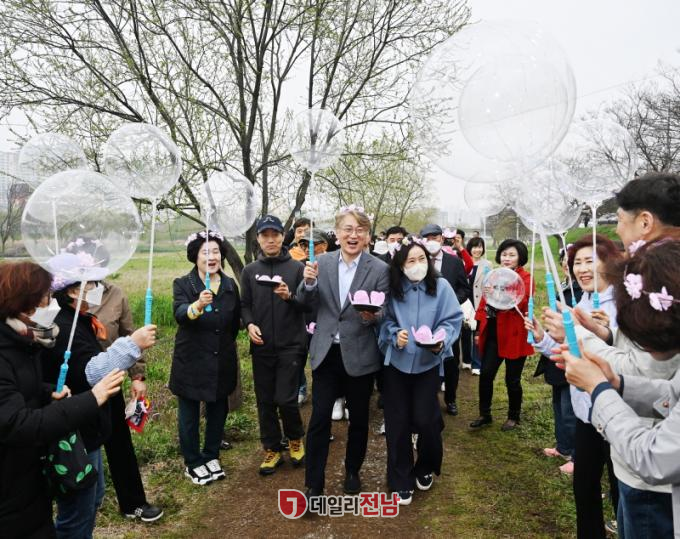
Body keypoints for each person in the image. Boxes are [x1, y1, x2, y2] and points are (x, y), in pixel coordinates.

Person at [556, 239, 680, 539]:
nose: (644, 350)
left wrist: (599, 389)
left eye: (642, 339)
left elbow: (654, 458)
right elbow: (671, 396)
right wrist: (619, 385)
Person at [0, 261, 125, 539]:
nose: (51, 302)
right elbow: (17, 423)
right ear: (25, 303)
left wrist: (46, 392)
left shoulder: (26, 340)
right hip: (11, 482)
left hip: (29, 475)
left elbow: (21, 388)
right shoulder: (9, 347)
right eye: (46, 296)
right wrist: (92, 399)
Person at [42, 255, 157, 539]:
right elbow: (91, 372)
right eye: (92, 283)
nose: (98, 288)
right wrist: (132, 344)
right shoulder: (65, 326)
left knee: (93, 496)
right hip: (78, 426)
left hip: (90, 422)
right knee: (78, 511)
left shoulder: (79, 319)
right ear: (73, 290)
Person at [297, 206, 389, 500]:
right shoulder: (320, 262)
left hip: (360, 354)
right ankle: (314, 484)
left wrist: (372, 315)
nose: (353, 235)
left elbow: (385, 311)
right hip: (326, 353)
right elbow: (304, 302)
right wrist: (308, 282)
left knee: (359, 419)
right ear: (337, 233)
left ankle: (352, 470)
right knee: (319, 418)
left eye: (360, 230)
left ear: (368, 236)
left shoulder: (379, 269)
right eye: (348, 229)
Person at [528, 233, 620, 504]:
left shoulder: (623, 304)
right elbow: (569, 353)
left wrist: (597, 332)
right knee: (584, 486)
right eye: (576, 263)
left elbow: (621, 357)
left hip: (615, 409)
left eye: (589, 261)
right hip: (586, 412)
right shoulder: (582, 303)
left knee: (619, 486)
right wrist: (542, 338)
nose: (581, 269)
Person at [378, 237, 462, 505]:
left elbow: (453, 319)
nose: (417, 265)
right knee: (397, 422)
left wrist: (440, 340)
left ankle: (426, 465)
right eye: (410, 261)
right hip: (396, 364)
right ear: (400, 265)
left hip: (428, 363)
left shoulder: (441, 286)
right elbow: (383, 320)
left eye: (421, 259)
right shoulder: (392, 288)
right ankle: (400, 477)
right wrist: (394, 334)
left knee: (427, 421)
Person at [170, 230, 241, 485]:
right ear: (195, 256)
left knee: (218, 409)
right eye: (205, 252)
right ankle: (193, 462)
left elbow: (234, 324)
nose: (211, 257)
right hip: (191, 359)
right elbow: (179, 314)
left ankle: (211, 454)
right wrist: (197, 306)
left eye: (216, 252)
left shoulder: (230, 285)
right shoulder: (183, 284)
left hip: (221, 357)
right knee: (189, 414)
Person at [89, 281, 163, 522]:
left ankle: (133, 503)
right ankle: (83, 504)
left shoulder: (115, 294)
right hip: (77, 387)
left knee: (119, 442)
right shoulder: (62, 297)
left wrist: (137, 376)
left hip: (110, 381)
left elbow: (129, 335)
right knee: (82, 448)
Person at [241, 215, 308, 475]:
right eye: (265, 235)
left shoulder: (297, 268)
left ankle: (295, 438)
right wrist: (249, 324)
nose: (270, 240)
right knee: (265, 400)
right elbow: (245, 305)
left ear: (283, 237)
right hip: (262, 345)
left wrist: (289, 297)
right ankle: (272, 448)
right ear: (258, 239)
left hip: (291, 345)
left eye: (275, 235)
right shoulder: (249, 271)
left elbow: (307, 305)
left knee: (286, 399)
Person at [471, 239, 533, 431]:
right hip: (493, 334)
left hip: (514, 335)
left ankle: (513, 416)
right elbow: (483, 304)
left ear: (520, 257)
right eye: (504, 254)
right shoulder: (493, 275)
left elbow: (521, 302)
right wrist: (478, 329)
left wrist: (498, 293)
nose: (507, 258)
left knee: (512, 379)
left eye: (512, 255)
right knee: (486, 374)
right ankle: (485, 414)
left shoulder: (526, 278)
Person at [421, 223, 471, 416]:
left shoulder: (454, 262)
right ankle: (428, 397)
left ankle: (450, 398)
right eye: (427, 238)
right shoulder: (418, 261)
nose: (431, 242)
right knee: (426, 357)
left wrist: (450, 303)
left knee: (451, 359)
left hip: (448, 320)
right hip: (424, 320)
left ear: (442, 239)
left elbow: (464, 289)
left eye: (435, 238)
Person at [465, 236, 492, 375]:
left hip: (479, 303)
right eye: (475, 247)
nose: (477, 250)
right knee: (465, 333)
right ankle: (466, 361)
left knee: (477, 334)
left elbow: (490, 283)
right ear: (470, 248)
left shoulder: (487, 264)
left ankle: (477, 363)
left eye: (480, 247)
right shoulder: (463, 262)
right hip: (465, 302)